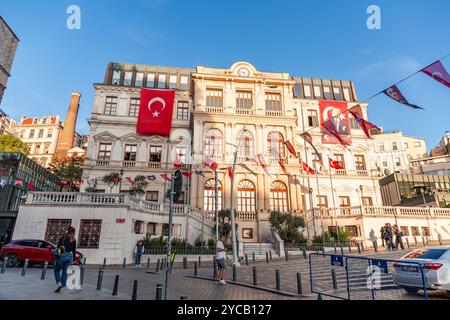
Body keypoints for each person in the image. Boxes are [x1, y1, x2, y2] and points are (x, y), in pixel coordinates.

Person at [54, 226, 77, 293]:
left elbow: (58, 246)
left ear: (67, 231)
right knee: (65, 271)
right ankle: (62, 284)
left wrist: (62, 247)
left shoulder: (64, 237)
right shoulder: (74, 240)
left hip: (63, 255)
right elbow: (74, 251)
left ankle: (59, 283)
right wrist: (73, 259)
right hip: (70, 256)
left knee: (56, 270)